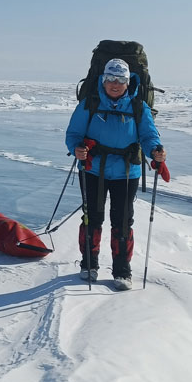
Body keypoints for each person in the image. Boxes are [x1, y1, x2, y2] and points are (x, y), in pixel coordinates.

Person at [65, 58, 169, 289]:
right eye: (110, 78)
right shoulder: (89, 104)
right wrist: (77, 149)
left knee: (122, 221)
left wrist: (155, 151)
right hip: (93, 169)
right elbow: (73, 134)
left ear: (128, 81)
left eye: (120, 79)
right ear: (103, 80)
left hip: (126, 171)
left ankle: (122, 270)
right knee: (92, 217)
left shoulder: (138, 107)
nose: (115, 84)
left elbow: (149, 135)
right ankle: (89, 265)